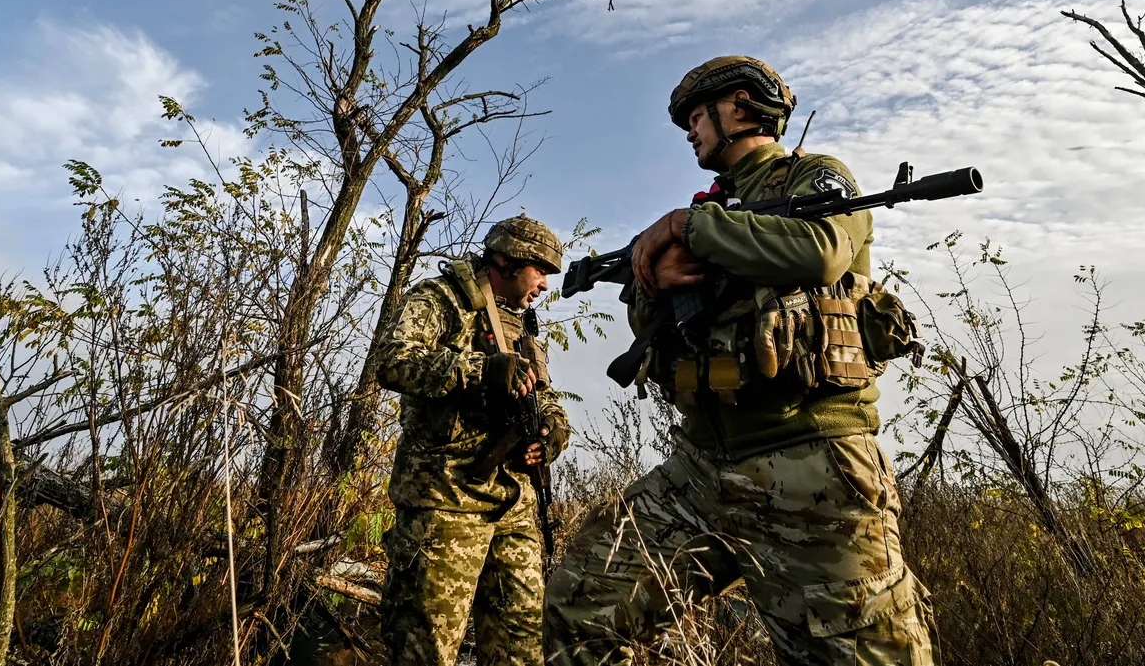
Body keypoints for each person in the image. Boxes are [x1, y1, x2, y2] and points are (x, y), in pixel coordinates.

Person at [544, 56, 939, 666]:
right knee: (583, 601)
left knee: (857, 653)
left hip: (811, 464)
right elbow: (649, 334)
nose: (688, 130)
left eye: (697, 115)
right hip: (704, 465)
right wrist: (656, 283)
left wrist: (686, 226)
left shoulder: (813, 178)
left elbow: (822, 251)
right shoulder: (714, 209)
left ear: (742, 108)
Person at [375, 215, 572, 666]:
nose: (543, 284)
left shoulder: (520, 326)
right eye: (539, 270)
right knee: (427, 647)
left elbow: (546, 398)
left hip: (513, 505)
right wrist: (479, 370)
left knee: (522, 646)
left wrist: (552, 432)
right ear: (505, 260)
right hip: (445, 500)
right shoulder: (441, 299)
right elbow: (391, 361)